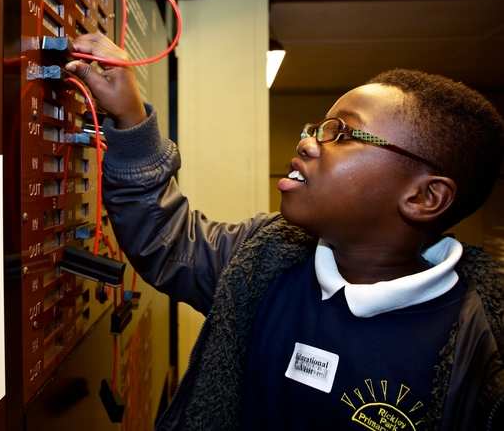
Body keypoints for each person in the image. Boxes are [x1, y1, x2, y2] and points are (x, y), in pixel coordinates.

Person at [66, 34, 504, 431]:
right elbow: (168, 240)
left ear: (424, 198)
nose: (307, 141)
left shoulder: (482, 350)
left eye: (340, 133)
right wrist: (130, 117)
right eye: (316, 127)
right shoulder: (264, 258)